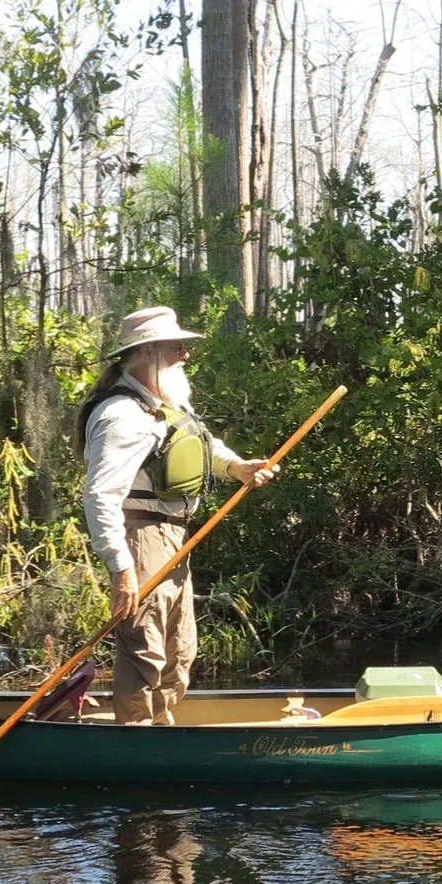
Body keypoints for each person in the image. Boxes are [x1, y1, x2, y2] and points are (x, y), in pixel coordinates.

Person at [78, 307, 278, 725]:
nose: (186, 354)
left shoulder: (166, 405)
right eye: (177, 346)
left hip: (174, 539)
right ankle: (135, 738)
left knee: (179, 650)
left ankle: (162, 733)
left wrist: (238, 467)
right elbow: (100, 495)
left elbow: (201, 444)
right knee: (144, 648)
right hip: (142, 537)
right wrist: (121, 569)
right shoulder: (121, 415)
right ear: (147, 352)